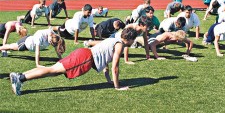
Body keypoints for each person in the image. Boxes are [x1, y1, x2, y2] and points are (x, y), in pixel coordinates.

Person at [9, 28, 138, 96]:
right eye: (134, 40)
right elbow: (115, 67)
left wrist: (108, 80)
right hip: (84, 58)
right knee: (52, 70)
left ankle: (20, 76)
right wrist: (117, 86)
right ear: (130, 39)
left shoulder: (114, 39)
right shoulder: (119, 45)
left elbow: (106, 62)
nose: (133, 43)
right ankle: (20, 78)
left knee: (52, 71)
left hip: (83, 54)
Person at [85, 16, 152, 64]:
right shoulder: (131, 27)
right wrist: (126, 60)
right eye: (147, 26)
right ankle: (88, 43)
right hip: (116, 37)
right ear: (141, 24)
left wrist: (148, 56)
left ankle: (89, 43)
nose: (148, 28)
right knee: (103, 45)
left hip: (121, 41)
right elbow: (126, 43)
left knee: (103, 44)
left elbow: (146, 42)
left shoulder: (144, 30)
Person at [0, 28, 65, 66]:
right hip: (26, 43)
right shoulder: (40, 36)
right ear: (50, 37)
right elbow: (37, 52)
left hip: (31, 41)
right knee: (10, 47)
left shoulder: (54, 36)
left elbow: (56, 48)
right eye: (51, 42)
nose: (51, 44)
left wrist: (61, 59)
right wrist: (38, 64)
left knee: (11, 47)